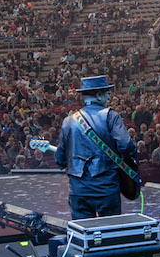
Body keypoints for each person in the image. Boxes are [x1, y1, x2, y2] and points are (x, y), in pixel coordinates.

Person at [54, 75, 136, 219]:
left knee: (84, 235)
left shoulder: (68, 121)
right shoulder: (111, 116)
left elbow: (60, 159)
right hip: (106, 189)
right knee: (110, 233)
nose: (108, 97)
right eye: (107, 93)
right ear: (99, 95)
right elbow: (127, 147)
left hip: (78, 191)